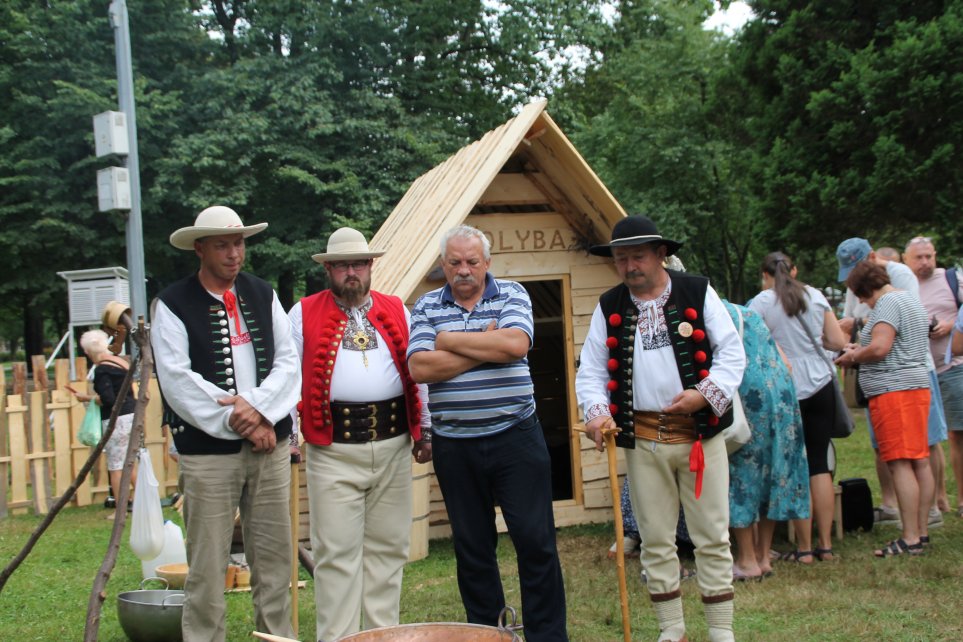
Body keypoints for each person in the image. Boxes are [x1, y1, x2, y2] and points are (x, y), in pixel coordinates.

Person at [576, 216, 745, 642]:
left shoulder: (698, 291)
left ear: (660, 255)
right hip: (644, 440)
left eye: (637, 256)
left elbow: (732, 354)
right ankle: (672, 631)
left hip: (699, 436)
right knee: (654, 540)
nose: (629, 266)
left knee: (711, 535)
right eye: (621, 258)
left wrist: (704, 394)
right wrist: (596, 412)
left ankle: (721, 633)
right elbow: (590, 371)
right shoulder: (609, 305)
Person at [407, 224, 568, 641]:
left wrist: (448, 341)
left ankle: (547, 638)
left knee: (535, 543)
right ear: (443, 265)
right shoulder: (425, 305)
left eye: (472, 262)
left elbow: (515, 345)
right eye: (455, 262)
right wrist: (484, 341)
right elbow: (421, 368)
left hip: (516, 437)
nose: (463, 270)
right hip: (455, 446)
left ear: (487, 263)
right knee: (473, 549)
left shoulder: (513, 293)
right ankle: (487, 636)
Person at [152, 205, 300, 641]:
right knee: (207, 567)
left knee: (274, 562)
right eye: (222, 245)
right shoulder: (173, 303)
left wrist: (260, 411)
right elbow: (179, 382)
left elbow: (288, 364)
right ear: (200, 249)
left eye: (238, 243)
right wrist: (249, 422)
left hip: (269, 448)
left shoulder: (262, 292)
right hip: (207, 455)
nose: (234, 253)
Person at [289, 227, 431, 642]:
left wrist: (425, 431)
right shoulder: (301, 313)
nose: (351, 272)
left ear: (370, 267)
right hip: (332, 451)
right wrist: (290, 434)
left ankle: (382, 636)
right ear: (328, 269)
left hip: (393, 445)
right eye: (342, 266)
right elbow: (286, 374)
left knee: (389, 552)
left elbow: (418, 374)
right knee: (335, 556)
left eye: (358, 264)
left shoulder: (399, 310)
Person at [836, 238, 948, 524]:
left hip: (896, 390)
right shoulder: (908, 299)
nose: (861, 302)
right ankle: (922, 526)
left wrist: (853, 356)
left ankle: (911, 533)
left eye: (861, 296)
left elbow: (880, 348)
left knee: (900, 462)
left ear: (866, 288)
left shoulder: (885, 305)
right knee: (919, 457)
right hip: (915, 383)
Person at [748, 252, 847, 563]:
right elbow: (836, 339)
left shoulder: (761, 303)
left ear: (764, 275)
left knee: (795, 467)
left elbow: (750, 343)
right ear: (794, 269)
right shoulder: (815, 295)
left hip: (784, 386)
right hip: (820, 383)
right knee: (819, 464)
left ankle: (803, 549)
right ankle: (826, 544)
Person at [722, 300, 810, 580]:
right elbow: (784, 361)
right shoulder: (747, 313)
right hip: (782, 397)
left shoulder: (708, 313)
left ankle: (747, 561)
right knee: (773, 474)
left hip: (750, 399)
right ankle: (764, 556)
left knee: (742, 476)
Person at [904, 236, 963, 519]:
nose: (925, 262)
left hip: (953, 366)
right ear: (906, 259)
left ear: (936, 255)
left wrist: (950, 326)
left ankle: (960, 499)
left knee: (957, 434)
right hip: (920, 370)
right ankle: (939, 495)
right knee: (933, 436)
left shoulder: (953, 279)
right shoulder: (904, 284)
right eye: (919, 257)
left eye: (929, 256)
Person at [75, 329, 137, 516]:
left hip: (116, 420)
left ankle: (120, 511)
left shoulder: (102, 370)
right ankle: (146, 504)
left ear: (88, 351)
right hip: (133, 416)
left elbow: (109, 399)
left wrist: (87, 398)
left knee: (116, 466)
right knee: (132, 462)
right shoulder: (121, 362)